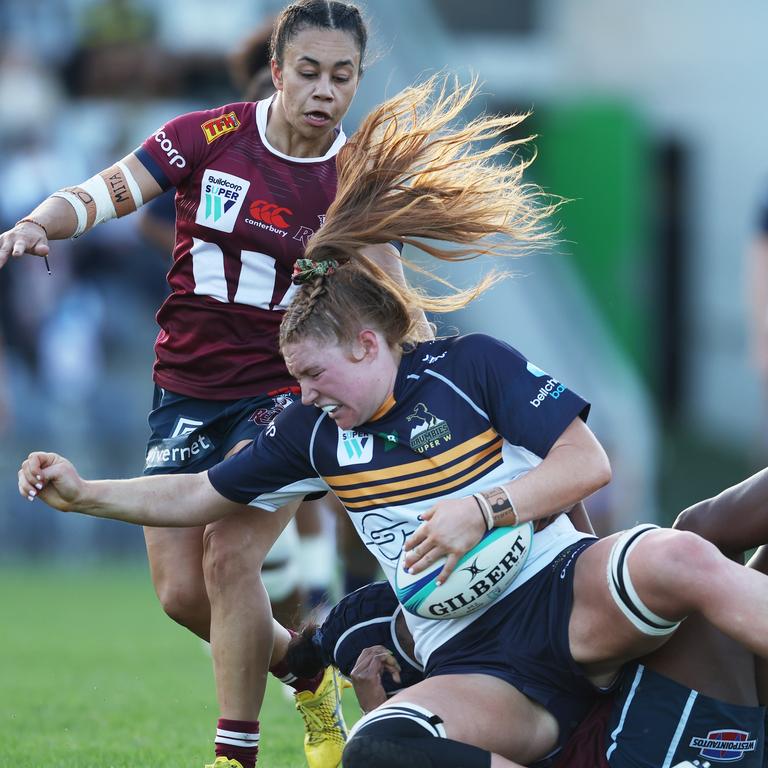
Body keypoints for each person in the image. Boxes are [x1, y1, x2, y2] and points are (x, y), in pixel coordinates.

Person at [21, 76, 768, 768]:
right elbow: (195, 496)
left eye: (314, 373)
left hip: (563, 593)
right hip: (476, 661)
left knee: (682, 555)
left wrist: (483, 510)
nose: (303, 392)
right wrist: (83, 491)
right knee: (380, 750)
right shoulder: (310, 430)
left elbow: (587, 464)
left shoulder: (470, 365)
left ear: (369, 343)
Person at [2, 4, 396, 767]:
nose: (324, 90)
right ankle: (306, 667)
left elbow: (394, 297)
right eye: (309, 72)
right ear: (277, 72)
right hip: (186, 389)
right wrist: (41, 224)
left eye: (341, 76)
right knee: (183, 594)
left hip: (290, 396)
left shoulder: (357, 181)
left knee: (228, 559)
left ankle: (233, 755)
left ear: (356, 80)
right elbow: (104, 190)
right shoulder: (206, 136)